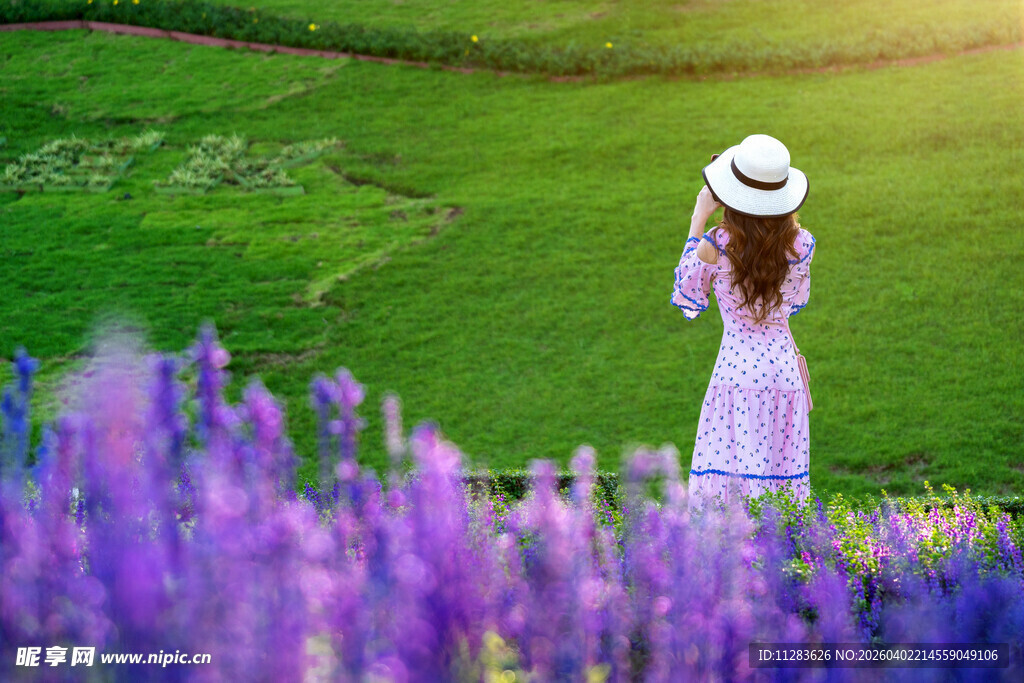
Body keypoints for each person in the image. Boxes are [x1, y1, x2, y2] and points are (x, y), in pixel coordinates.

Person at [671, 134, 815, 510]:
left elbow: (689, 291)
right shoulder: (803, 245)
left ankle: (729, 564)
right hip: (784, 374)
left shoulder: (716, 244)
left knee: (727, 485)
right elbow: (796, 299)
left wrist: (697, 219)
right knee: (781, 485)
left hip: (736, 375)